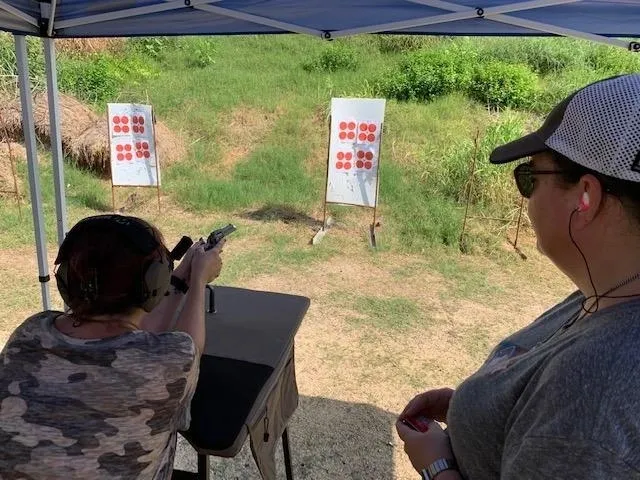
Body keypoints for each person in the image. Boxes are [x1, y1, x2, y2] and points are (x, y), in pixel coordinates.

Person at [397, 73, 640, 479]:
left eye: (529, 178)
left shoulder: (595, 390)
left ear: (586, 197)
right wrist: (482, 411)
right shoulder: (605, 293)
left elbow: (578, 434)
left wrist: (436, 465)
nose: (525, 196)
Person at [0, 214, 224, 479]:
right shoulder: (169, 363)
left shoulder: (30, 332)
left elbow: (128, 339)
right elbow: (189, 348)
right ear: (154, 282)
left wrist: (178, 282)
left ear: (65, 280)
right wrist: (198, 280)